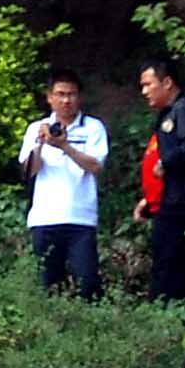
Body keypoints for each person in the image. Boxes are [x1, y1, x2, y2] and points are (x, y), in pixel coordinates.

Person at [20, 70, 109, 300]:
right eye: (60, 94)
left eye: (71, 94)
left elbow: (96, 166)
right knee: (48, 286)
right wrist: (40, 143)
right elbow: (29, 171)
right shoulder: (36, 128)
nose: (66, 100)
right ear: (49, 97)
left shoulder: (93, 128)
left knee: (88, 283)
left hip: (81, 219)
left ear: (79, 97)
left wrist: (65, 147)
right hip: (44, 219)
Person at [134, 60, 185, 302]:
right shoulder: (167, 115)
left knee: (171, 269)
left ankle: (168, 316)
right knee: (172, 264)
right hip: (168, 204)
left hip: (181, 206)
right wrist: (150, 200)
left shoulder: (184, 110)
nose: (144, 91)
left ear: (167, 82)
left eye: (148, 84)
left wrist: (167, 162)